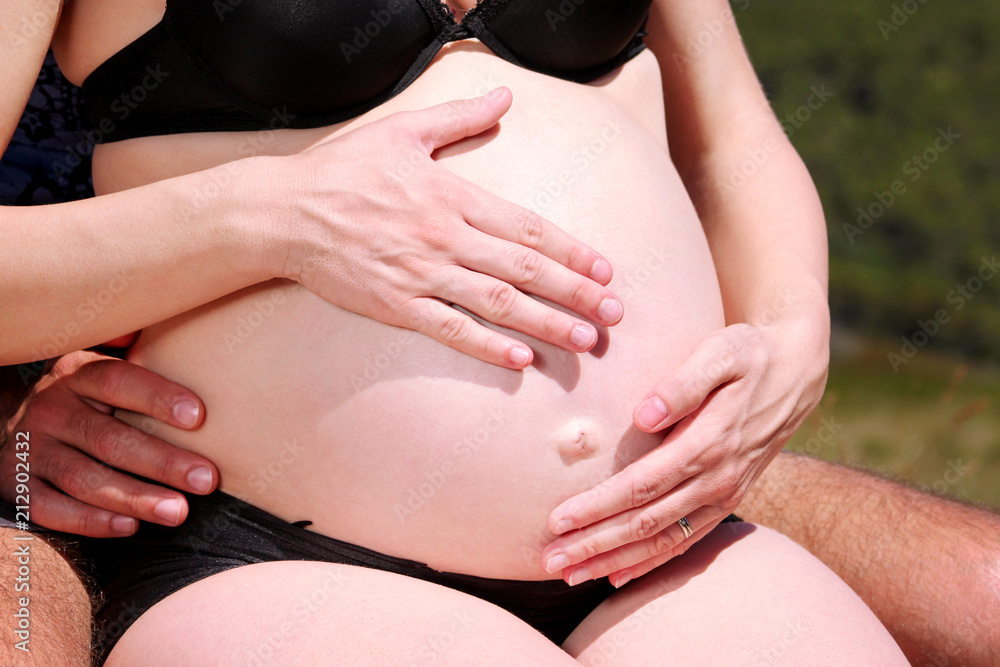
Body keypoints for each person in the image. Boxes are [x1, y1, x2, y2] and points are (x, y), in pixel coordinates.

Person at [0, 0, 981, 664]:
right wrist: (267, 215)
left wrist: (791, 326)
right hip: (283, 558)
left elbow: (734, 141)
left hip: (663, 544)